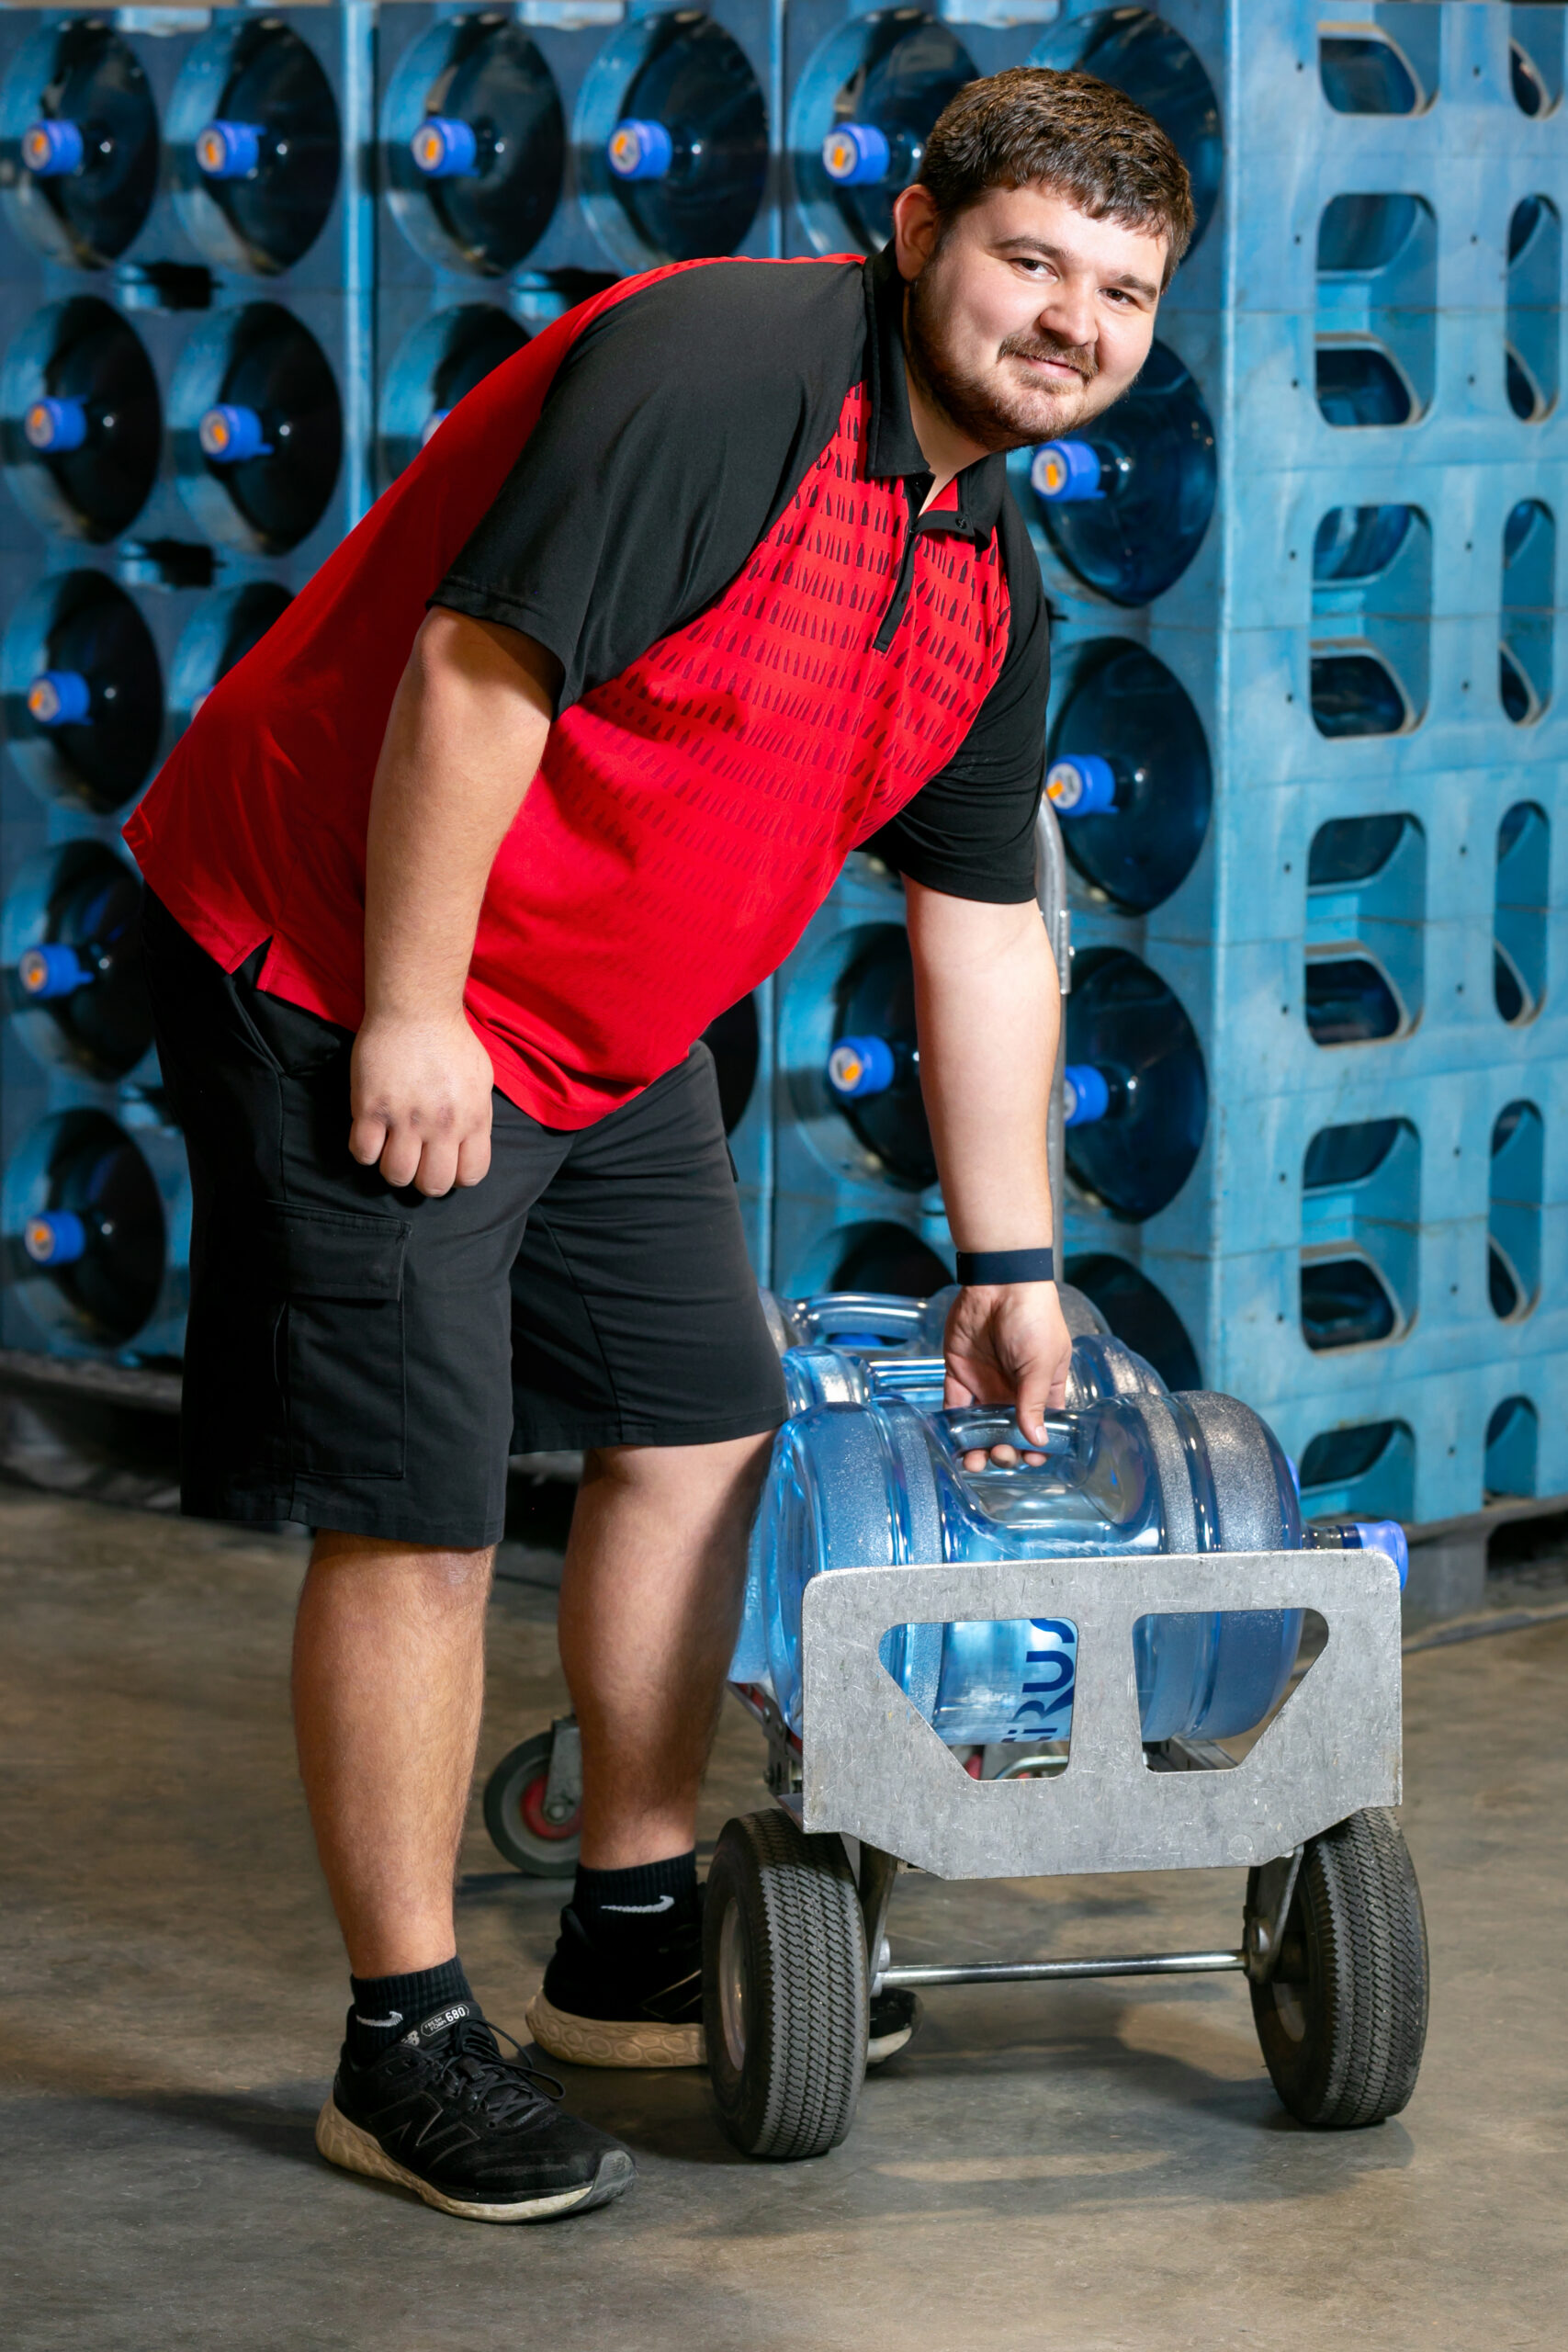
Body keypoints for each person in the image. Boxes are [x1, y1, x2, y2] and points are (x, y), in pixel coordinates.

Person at [126, 66, 1192, 2224]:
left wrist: (1012, 1264)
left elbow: (984, 925)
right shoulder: (726, 377)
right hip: (345, 957)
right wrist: (411, 1012)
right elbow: (475, 674)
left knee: (703, 1417)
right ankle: (400, 2040)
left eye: (1122, 290)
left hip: (606, 1031)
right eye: (1030, 261)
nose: (1072, 323)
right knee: (420, 1499)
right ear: (914, 232)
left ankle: (623, 1937)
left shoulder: (982, 564)